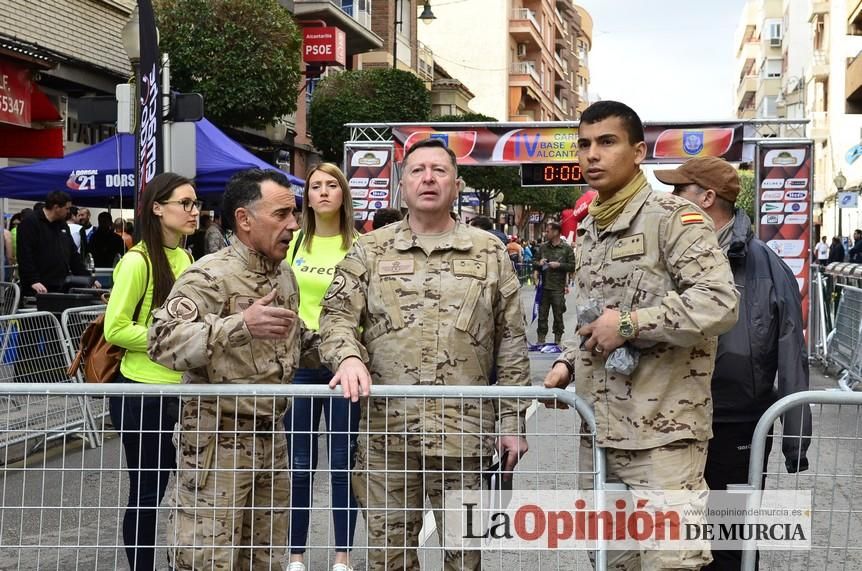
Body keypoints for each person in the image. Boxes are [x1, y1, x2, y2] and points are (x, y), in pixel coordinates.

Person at [543, 101, 739, 570]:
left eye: (607, 142)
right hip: (601, 433)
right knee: (613, 562)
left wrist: (631, 325)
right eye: (584, 144)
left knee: (670, 563)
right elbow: (593, 317)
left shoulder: (672, 218)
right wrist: (568, 361)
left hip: (663, 439)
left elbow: (720, 302)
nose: (592, 154)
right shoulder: (590, 227)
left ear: (637, 152)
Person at [318, 138, 529, 570]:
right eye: (417, 170)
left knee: (463, 556)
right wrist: (348, 358)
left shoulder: (489, 252)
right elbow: (335, 315)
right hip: (387, 435)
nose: (428, 178)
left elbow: (510, 342)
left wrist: (511, 422)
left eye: (439, 170)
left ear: (456, 184)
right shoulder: (370, 250)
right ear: (401, 186)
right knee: (386, 555)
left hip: (464, 435)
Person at [149, 168, 358, 570]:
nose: (294, 224)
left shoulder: (284, 276)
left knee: (263, 556)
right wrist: (238, 326)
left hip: (271, 440)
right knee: (207, 558)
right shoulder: (209, 275)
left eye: (294, 214)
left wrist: (349, 356)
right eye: (281, 215)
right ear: (244, 220)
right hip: (217, 443)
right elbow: (162, 342)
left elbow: (299, 343)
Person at [656, 156, 812, 570]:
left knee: (731, 541)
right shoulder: (665, 257)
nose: (669, 200)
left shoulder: (767, 266)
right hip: (671, 423)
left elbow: (791, 350)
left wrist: (795, 440)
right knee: (674, 540)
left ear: (707, 198)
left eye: (679, 191)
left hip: (738, 425)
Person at [104, 173, 198, 570]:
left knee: (184, 490)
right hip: (141, 392)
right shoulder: (136, 261)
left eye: (196, 203)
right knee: (147, 492)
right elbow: (115, 327)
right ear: (158, 208)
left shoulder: (187, 258)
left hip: (182, 391)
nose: (195, 211)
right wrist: (170, 338)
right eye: (186, 203)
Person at [285, 163, 359, 571]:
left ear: (343, 194)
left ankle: (342, 555)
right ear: (307, 196)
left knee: (343, 463)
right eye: (316, 186)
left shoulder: (361, 245)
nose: (324, 192)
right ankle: (296, 554)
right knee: (299, 464)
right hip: (299, 365)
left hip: (343, 365)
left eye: (333, 185)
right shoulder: (293, 244)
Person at [16, 190, 96, 295]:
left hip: (61, 287)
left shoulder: (62, 225)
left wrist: (89, 279)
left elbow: (73, 256)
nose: (69, 212)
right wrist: (33, 281)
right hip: (38, 289)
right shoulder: (30, 223)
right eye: (66, 208)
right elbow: (25, 256)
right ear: (56, 207)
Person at [532, 220, 575, 345]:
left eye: (548, 231)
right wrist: (539, 264)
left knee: (558, 314)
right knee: (542, 315)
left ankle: (557, 340)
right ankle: (541, 339)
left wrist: (559, 265)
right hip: (544, 287)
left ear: (556, 232)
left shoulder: (566, 249)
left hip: (558, 288)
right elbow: (534, 263)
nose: (546, 233)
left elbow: (572, 266)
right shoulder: (543, 247)